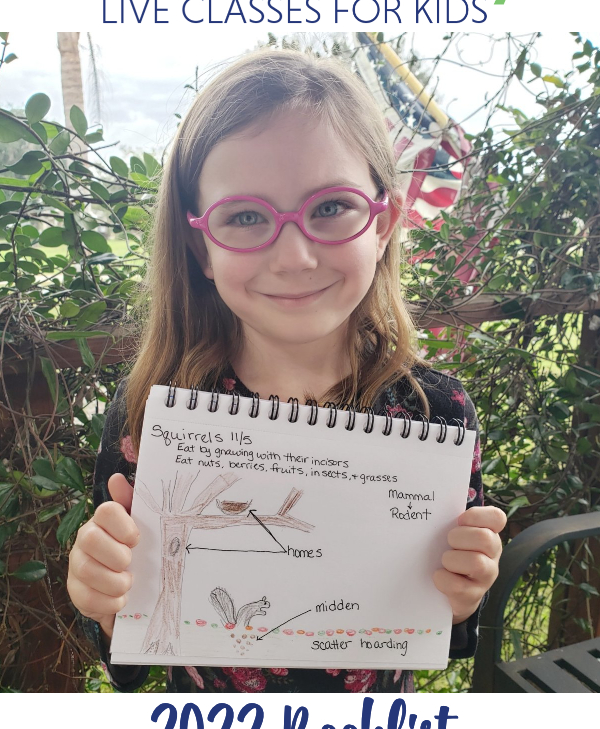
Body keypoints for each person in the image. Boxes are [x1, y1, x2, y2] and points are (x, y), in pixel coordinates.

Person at [68, 47, 506, 693]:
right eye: (245, 217)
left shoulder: (436, 416)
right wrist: (105, 600)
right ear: (201, 247)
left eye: (331, 207)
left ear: (382, 223)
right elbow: (127, 656)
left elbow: (446, 630)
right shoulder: (149, 418)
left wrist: (463, 592)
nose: (295, 256)